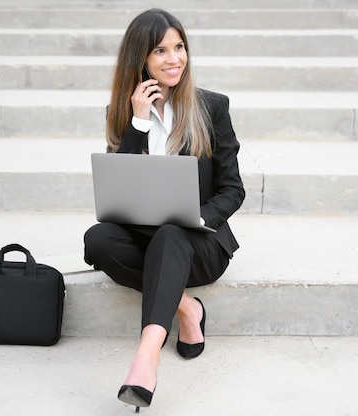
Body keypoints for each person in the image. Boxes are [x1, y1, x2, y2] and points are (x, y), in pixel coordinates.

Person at [83, 8, 245, 411]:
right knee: (97, 239)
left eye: (179, 47)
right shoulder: (124, 112)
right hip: (146, 235)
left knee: (173, 233)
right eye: (161, 50)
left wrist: (199, 218)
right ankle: (187, 308)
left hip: (201, 244)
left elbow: (233, 189)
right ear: (142, 59)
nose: (175, 59)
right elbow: (120, 190)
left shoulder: (212, 107)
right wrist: (137, 126)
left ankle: (146, 357)